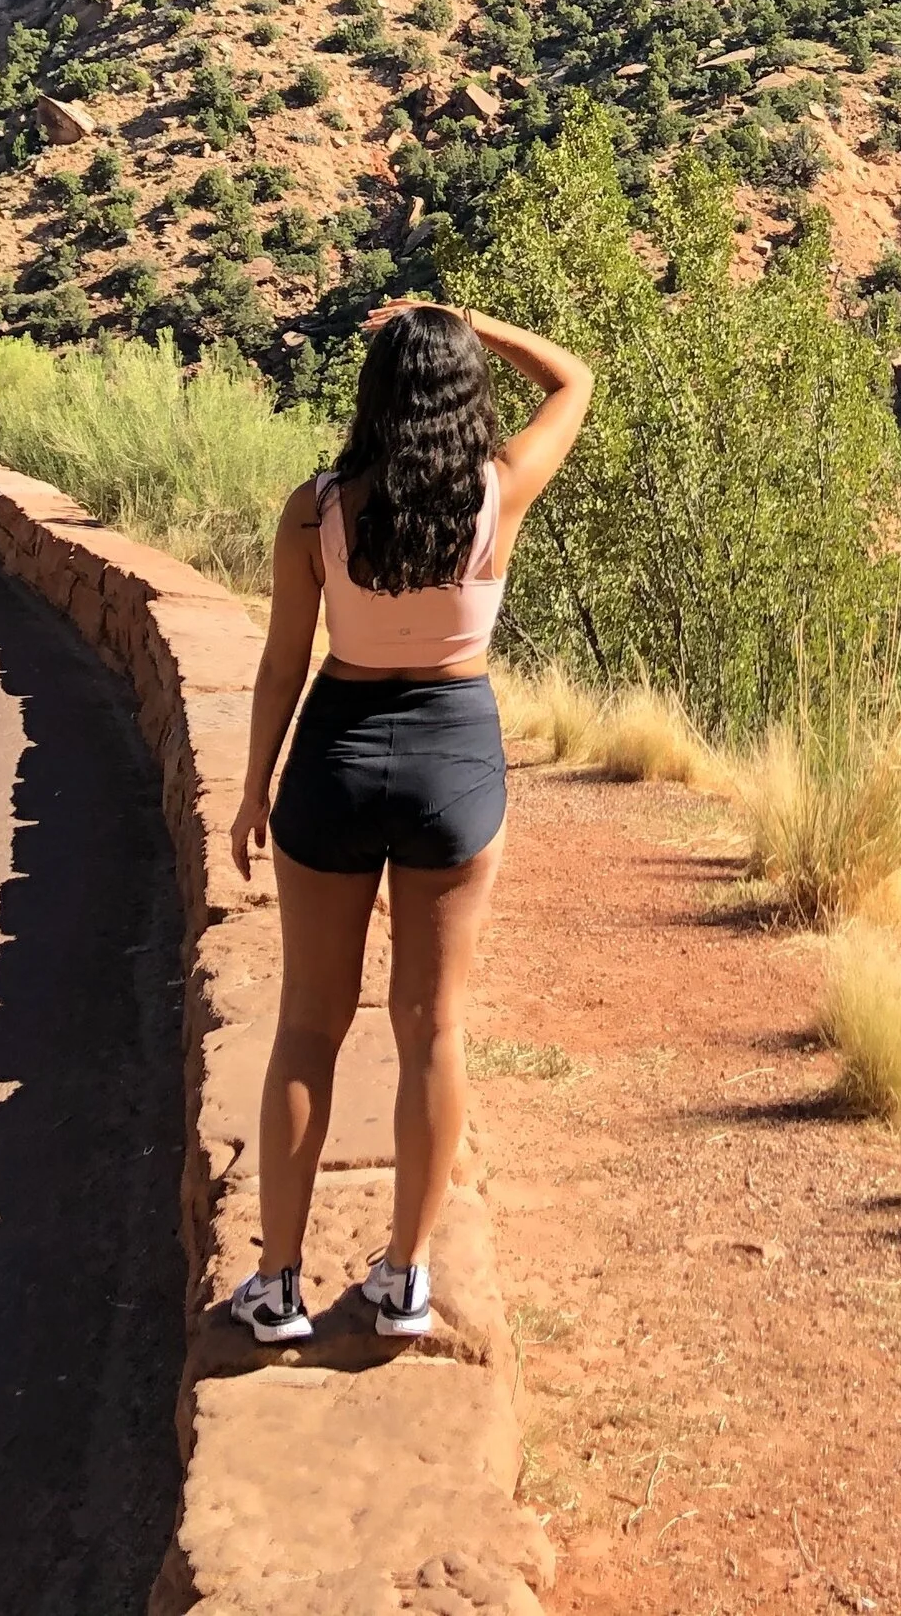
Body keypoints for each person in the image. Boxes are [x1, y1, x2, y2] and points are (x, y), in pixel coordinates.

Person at [224, 299, 594, 1344]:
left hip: (335, 756)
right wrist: (478, 324)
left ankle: (281, 1287)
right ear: (464, 393)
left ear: (374, 397)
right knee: (432, 1030)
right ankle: (402, 1281)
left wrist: (255, 787)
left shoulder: (318, 509)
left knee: (307, 1028)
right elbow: (575, 379)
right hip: (453, 759)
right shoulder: (498, 490)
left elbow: (280, 663)